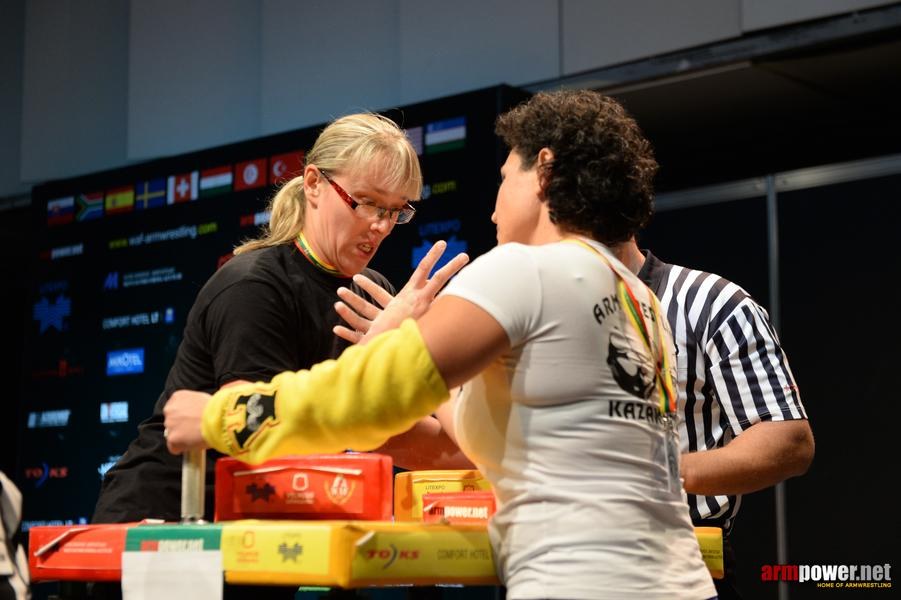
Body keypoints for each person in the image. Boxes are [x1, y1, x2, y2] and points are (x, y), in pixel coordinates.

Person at [165, 90, 717, 599]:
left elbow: (367, 397)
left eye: (504, 179)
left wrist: (220, 415)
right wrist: (404, 345)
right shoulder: (638, 298)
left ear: (543, 173)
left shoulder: (524, 270)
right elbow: (496, 437)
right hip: (681, 581)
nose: (494, 208)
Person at [612, 238, 814, 599]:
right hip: (558, 560)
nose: (496, 217)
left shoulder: (709, 301)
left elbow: (789, 441)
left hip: (678, 563)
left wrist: (653, 472)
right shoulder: (542, 314)